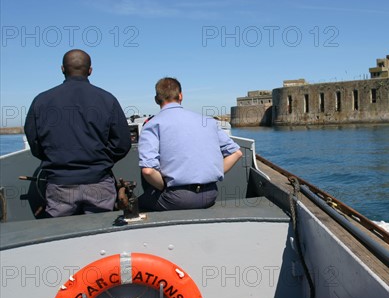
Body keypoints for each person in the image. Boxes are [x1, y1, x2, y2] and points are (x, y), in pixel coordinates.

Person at [24, 49, 132, 217]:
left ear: (62, 69)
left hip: (60, 185)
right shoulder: (107, 99)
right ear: (90, 70)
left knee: (61, 237)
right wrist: (101, 159)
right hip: (99, 183)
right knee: (100, 236)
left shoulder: (42, 100)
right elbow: (123, 143)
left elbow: (34, 141)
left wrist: (55, 159)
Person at [138, 77, 242, 211]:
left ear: (156, 99)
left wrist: (163, 188)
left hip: (175, 199)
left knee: (135, 205)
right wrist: (214, 174)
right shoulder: (208, 121)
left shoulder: (153, 125)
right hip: (210, 195)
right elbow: (237, 153)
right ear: (181, 96)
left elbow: (148, 171)